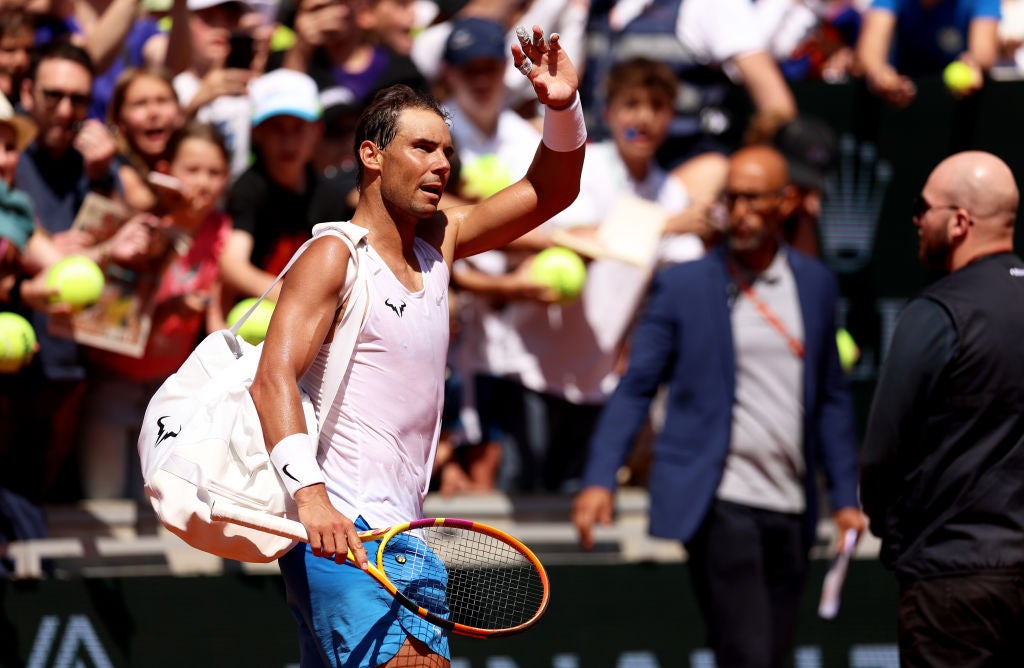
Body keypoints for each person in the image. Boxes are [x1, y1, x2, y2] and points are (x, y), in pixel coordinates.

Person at [247, 24, 584, 667]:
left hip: (403, 535)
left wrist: (561, 105)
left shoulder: (440, 244)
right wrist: (311, 498)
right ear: (372, 155)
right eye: (423, 148)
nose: (442, 165)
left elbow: (552, 191)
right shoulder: (331, 254)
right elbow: (273, 379)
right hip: (343, 535)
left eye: (447, 152)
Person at [573, 145, 865, 668]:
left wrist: (845, 496)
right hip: (720, 501)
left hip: (794, 506)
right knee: (748, 654)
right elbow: (638, 384)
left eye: (754, 199)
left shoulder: (815, 284)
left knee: (771, 655)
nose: (741, 212)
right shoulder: (684, 285)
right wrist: (599, 477)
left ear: (786, 202)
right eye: (732, 199)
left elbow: (831, 401)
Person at [859, 150, 1024, 666]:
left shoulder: (937, 311)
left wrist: (899, 536)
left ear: (958, 222)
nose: (915, 218)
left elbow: (881, 455)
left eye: (922, 207)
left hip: (953, 580)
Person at [77, 121, 233, 499]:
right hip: (113, 381)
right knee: (106, 500)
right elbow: (111, 317)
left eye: (214, 172)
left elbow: (218, 312)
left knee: (156, 503)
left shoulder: (221, 229)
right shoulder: (144, 223)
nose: (203, 182)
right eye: (192, 170)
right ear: (166, 173)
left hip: (172, 388)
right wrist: (167, 308)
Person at [221, 68, 354, 304]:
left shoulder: (329, 195)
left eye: (298, 127)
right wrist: (296, 299)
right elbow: (233, 265)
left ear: (316, 131)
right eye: (277, 128)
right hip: (260, 312)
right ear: (257, 132)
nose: (289, 141)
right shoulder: (248, 189)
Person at [856, 0, 1001, 107]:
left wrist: (974, 64)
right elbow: (869, 51)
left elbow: (984, 52)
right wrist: (880, 74)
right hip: (900, 106)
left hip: (961, 109)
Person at [107, 66, 184, 212]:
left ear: (179, 112)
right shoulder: (111, 168)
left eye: (162, 101)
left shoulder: (194, 158)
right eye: (140, 103)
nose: (153, 113)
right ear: (119, 121)